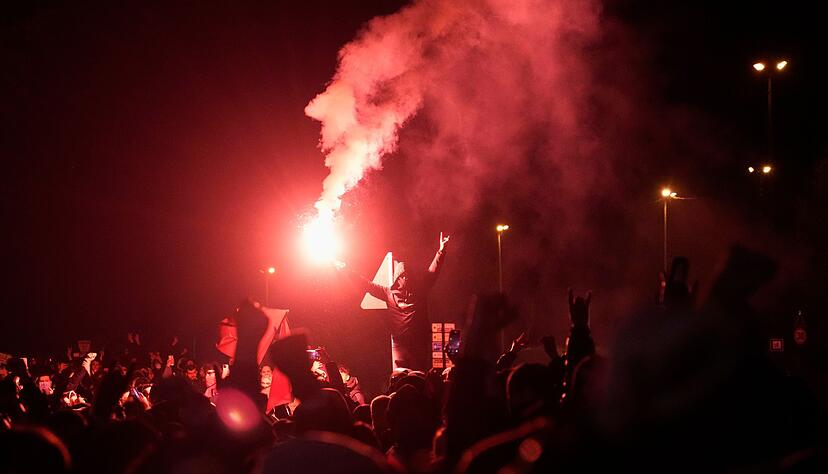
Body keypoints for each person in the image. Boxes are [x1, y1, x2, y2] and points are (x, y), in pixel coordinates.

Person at [338, 233, 450, 371]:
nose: (405, 279)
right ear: (397, 279)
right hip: (399, 344)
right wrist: (346, 270)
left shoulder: (420, 290)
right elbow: (365, 284)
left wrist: (441, 250)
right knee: (399, 375)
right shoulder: (388, 293)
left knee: (418, 375)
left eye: (407, 276)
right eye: (402, 277)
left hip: (419, 342)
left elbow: (433, 272)